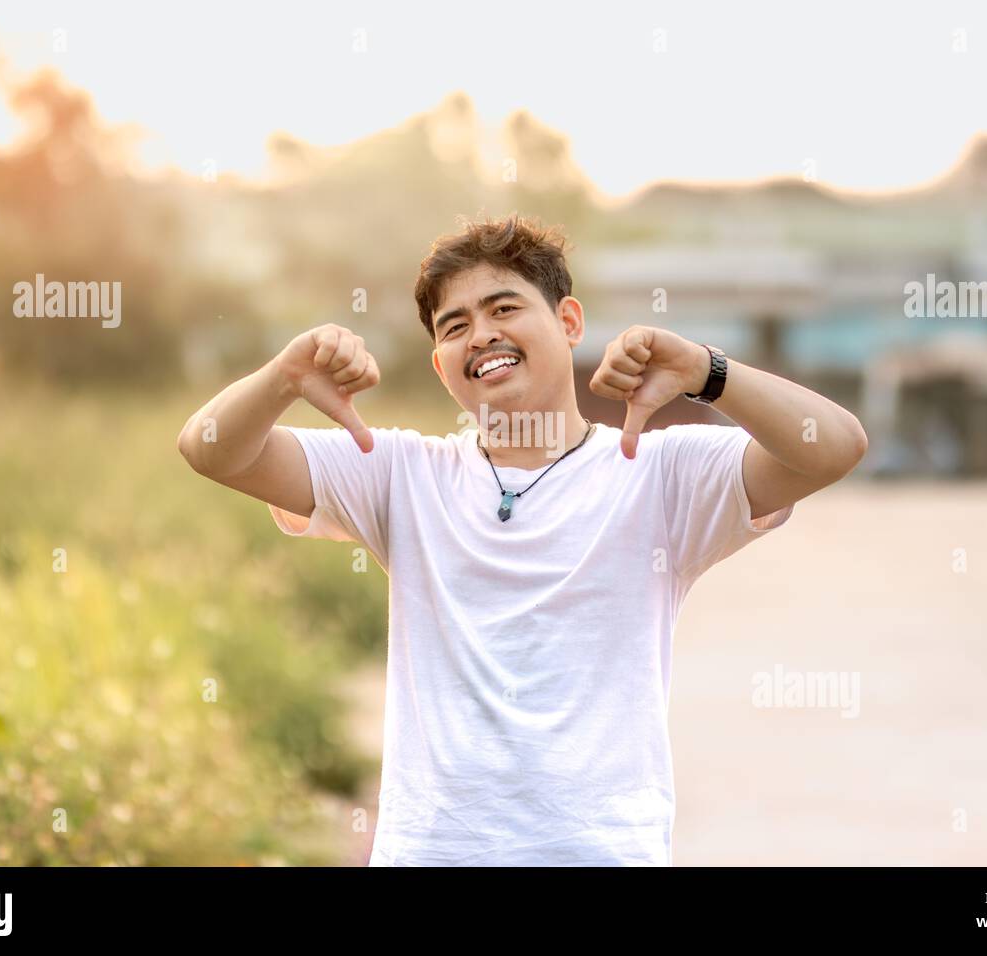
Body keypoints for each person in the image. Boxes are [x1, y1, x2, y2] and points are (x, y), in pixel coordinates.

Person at [177, 213, 868, 866]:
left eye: (504, 308)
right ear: (443, 368)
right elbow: (210, 449)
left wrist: (707, 375)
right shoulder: (400, 474)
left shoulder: (661, 473)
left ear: (569, 322)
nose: (480, 334)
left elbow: (832, 448)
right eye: (456, 327)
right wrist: (284, 379)